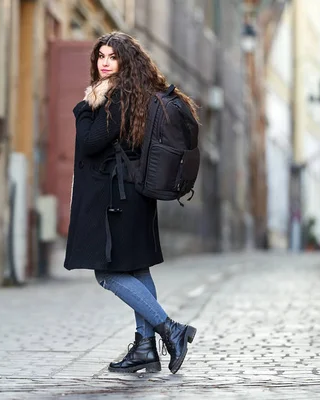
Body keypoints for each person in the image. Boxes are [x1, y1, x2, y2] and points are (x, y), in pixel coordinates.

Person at [64, 32, 200, 375]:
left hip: (117, 198)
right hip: (134, 195)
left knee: (107, 274)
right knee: (137, 269)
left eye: (112, 56)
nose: (105, 62)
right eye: (101, 56)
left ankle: (171, 330)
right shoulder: (137, 92)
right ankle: (144, 349)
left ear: (126, 61)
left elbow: (91, 142)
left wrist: (82, 109)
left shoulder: (116, 96)